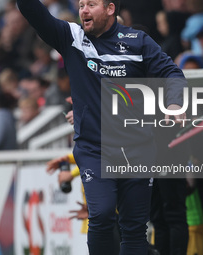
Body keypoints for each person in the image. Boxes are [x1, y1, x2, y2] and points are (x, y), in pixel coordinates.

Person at [17, 0, 186, 254]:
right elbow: (34, 12)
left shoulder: (138, 40)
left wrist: (175, 103)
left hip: (138, 149)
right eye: (81, 4)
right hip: (94, 148)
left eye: (91, 4)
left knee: (134, 229)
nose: (83, 10)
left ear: (110, 9)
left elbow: (172, 74)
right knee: (103, 213)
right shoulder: (71, 37)